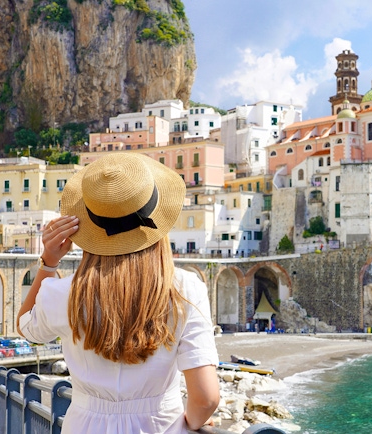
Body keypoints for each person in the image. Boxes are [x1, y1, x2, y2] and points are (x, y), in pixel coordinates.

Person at [17, 154, 220, 433]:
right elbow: (206, 398)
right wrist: (194, 422)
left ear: (88, 227)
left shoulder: (64, 293)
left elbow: (25, 326)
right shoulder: (185, 289)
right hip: (161, 426)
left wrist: (48, 262)